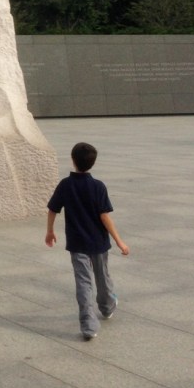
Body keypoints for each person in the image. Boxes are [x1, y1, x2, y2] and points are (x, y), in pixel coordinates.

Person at [46, 142, 130, 340]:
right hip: (99, 242)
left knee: (83, 283)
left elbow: (52, 209)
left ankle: (88, 326)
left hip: (77, 243)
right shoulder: (98, 186)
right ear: (92, 163)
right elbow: (104, 217)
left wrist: (49, 231)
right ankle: (108, 306)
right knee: (102, 276)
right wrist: (119, 241)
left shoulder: (65, 185)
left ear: (73, 161)